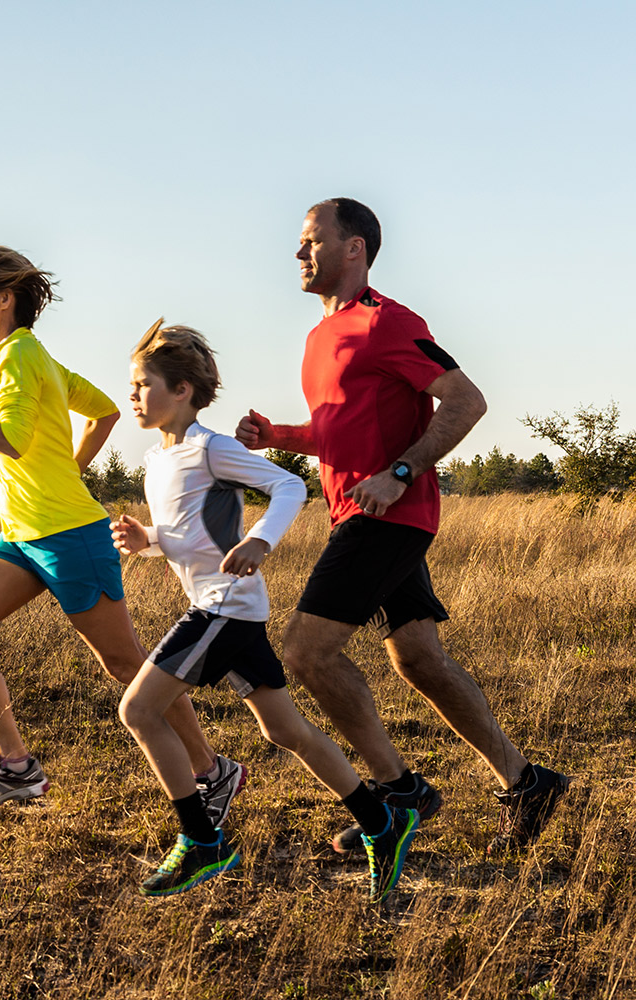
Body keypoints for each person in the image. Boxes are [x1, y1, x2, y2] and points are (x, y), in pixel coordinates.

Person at [236, 198, 569, 857]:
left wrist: (402, 470)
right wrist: (278, 435)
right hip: (366, 511)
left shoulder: (388, 322)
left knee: (306, 653)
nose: (298, 254)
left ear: (353, 249)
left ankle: (398, 790)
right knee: (419, 658)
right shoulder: (318, 338)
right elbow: (339, 431)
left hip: (386, 516)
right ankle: (527, 783)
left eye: (311, 241)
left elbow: (467, 400)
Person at [0, 245, 243, 820]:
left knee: (126, 662)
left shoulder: (20, 357)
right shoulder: (26, 356)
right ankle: (17, 768)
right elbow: (106, 410)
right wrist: (67, 470)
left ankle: (213, 769)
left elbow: (12, 439)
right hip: (23, 534)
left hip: (68, 533)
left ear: (4, 299)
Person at [112, 319, 419, 902]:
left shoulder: (212, 449)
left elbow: (288, 487)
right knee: (285, 730)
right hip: (230, 608)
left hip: (223, 609)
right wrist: (146, 539)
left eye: (142, 383)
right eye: (132, 384)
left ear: (181, 391)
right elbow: (190, 536)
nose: (133, 394)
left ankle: (204, 842)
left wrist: (261, 541)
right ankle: (382, 820)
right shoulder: (157, 460)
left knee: (140, 710)